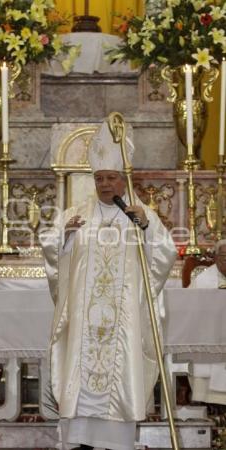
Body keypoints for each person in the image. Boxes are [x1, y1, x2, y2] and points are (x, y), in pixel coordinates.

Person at [40, 119, 177, 450]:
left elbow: (165, 253)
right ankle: (77, 439)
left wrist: (146, 229)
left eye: (110, 177)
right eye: (98, 178)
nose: (104, 184)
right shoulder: (75, 213)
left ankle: (116, 441)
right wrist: (64, 237)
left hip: (122, 323)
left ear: (123, 179)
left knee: (117, 389)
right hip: (84, 326)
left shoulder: (139, 214)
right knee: (80, 385)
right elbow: (51, 248)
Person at [188, 239, 226, 404]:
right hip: (211, 333)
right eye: (223, 256)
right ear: (216, 257)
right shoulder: (203, 280)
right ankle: (212, 404)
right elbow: (189, 308)